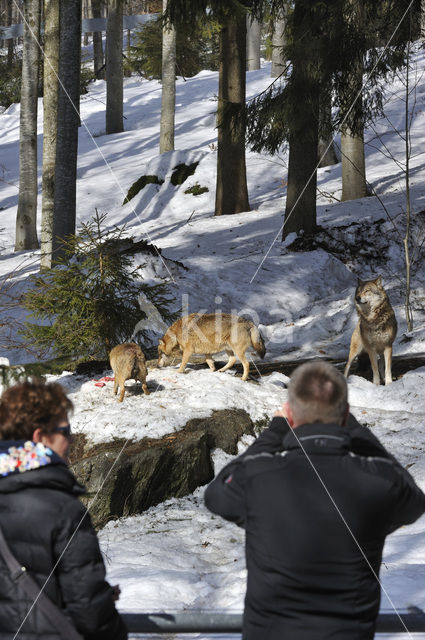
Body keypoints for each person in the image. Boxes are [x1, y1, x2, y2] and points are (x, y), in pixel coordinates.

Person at [204, 362, 425, 640]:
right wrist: (355, 430)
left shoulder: (259, 477)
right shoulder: (375, 481)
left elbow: (216, 494)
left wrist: (275, 431)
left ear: (292, 416)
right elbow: (413, 497)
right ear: (344, 413)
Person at [0, 378, 128, 640]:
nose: (71, 439)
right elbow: (90, 612)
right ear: (40, 437)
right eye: (65, 431)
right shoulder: (61, 509)